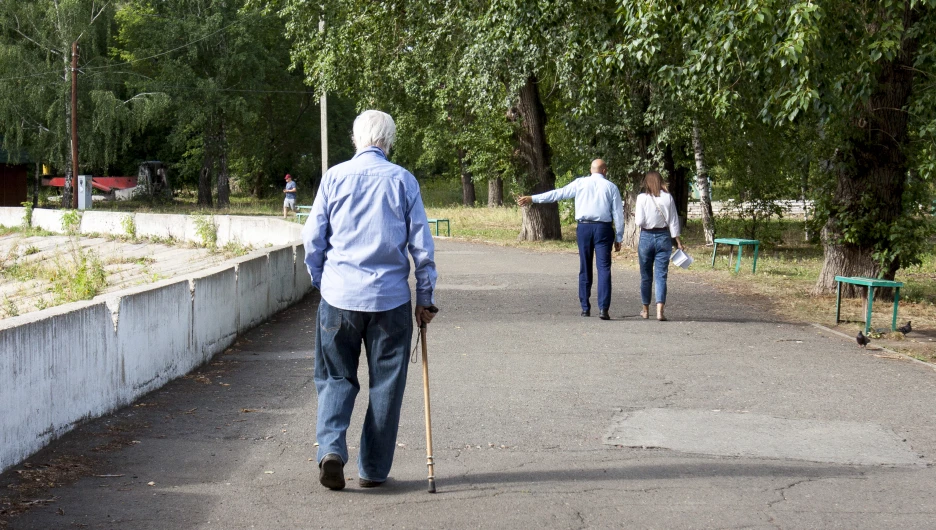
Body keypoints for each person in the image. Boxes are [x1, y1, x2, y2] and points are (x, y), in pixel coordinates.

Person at [301, 110, 438, 491]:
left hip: (339, 296)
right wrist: (425, 297)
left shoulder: (334, 177)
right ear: (388, 141)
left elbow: (312, 239)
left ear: (356, 139)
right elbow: (422, 247)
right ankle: (373, 470)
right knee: (387, 385)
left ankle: (331, 448)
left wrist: (322, 281)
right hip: (389, 301)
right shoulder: (403, 180)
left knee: (336, 377)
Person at [516, 159, 623, 320]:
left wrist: (533, 198)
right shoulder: (611, 187)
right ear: (604, 171)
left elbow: (558, 193)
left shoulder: (580, 183)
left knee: (585, 266)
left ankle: (585, 308)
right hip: (603, 228)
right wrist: (619, 236)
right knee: (604, 268)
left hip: (584, 227)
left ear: (591, 170)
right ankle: (603, 309)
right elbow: (618, 214)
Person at [634, 170, 684, 321]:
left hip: (646, 237)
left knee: (646, 276)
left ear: (646, 183)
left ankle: (645, 310)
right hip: (664, 237)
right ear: (660, 181)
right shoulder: (668, 198)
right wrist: (678, 241)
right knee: (661, 275)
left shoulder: (642, 198)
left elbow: (639, 221)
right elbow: (674, 221)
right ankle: (660, 311)